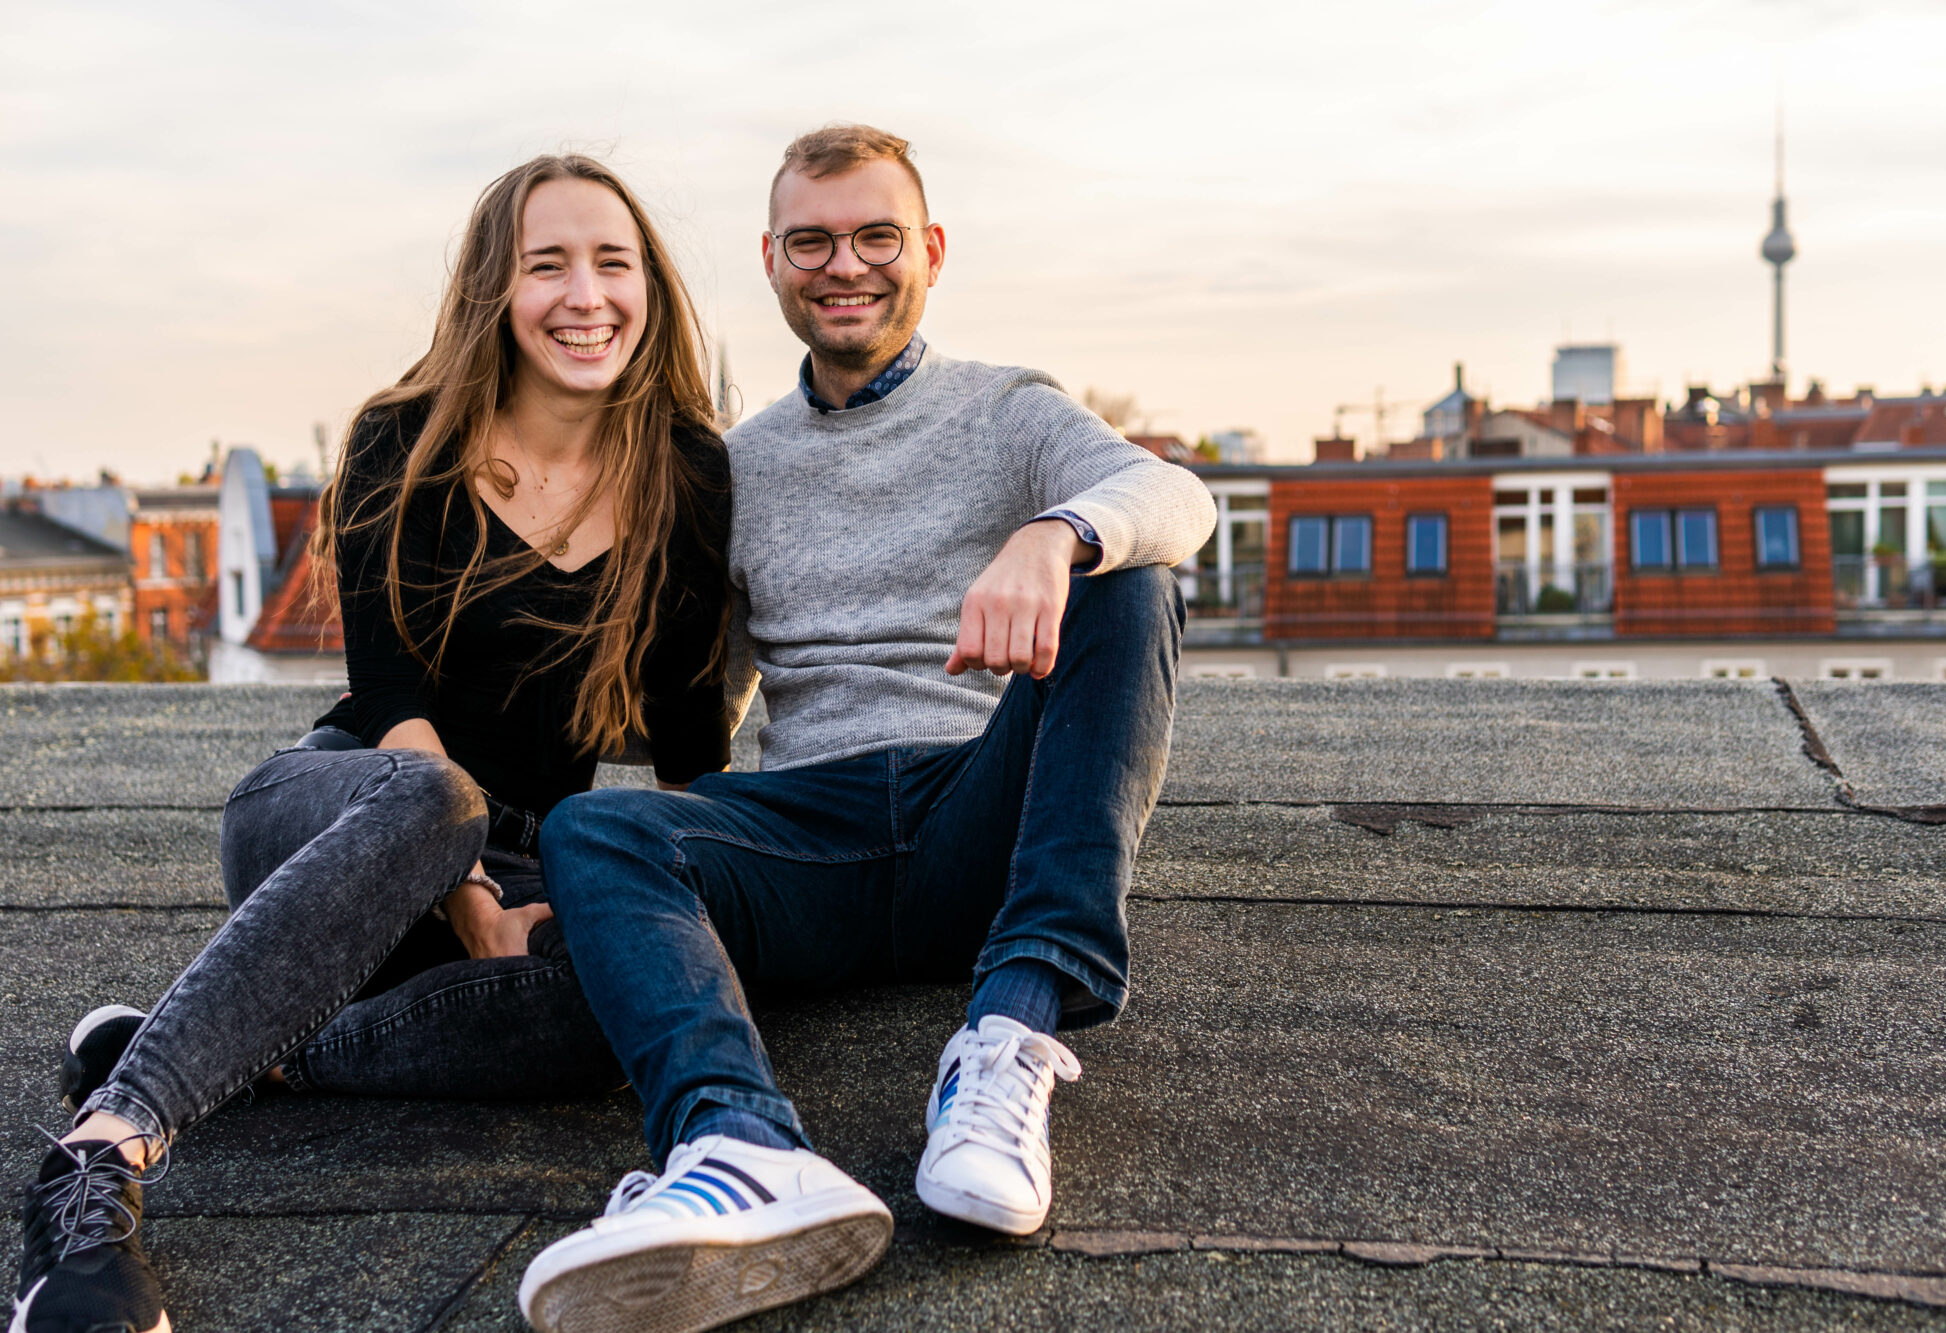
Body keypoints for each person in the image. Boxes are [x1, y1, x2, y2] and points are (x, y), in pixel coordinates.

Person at [12, 154, 733, 1333]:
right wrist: (468, 900)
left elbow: (689, 747)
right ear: (494, 290)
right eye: (545, 264)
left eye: (613, 261)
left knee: (622, 1002)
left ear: (650, 286)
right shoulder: (406, 438)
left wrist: (680, 910)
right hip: (345, 805)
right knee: (437, 797)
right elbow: (393, 697)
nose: (585, 293)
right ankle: (101, 1151)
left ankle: (256, 1046)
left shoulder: (687, 471)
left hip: (509, 857)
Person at [514, 125, 1216, 1333]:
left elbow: (1178, 497)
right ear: (774, 260)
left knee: (1135, 575)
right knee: (598, 830)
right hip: (811, 847)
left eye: (876, 236)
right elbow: (691, 701)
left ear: (928, 250)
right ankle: (737, 1147)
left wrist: (1053, 536)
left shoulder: (1006, 410)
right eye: (814, 241)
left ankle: (1010, 1037)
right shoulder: (729, 465)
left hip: (976, 816)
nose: (848, 265)